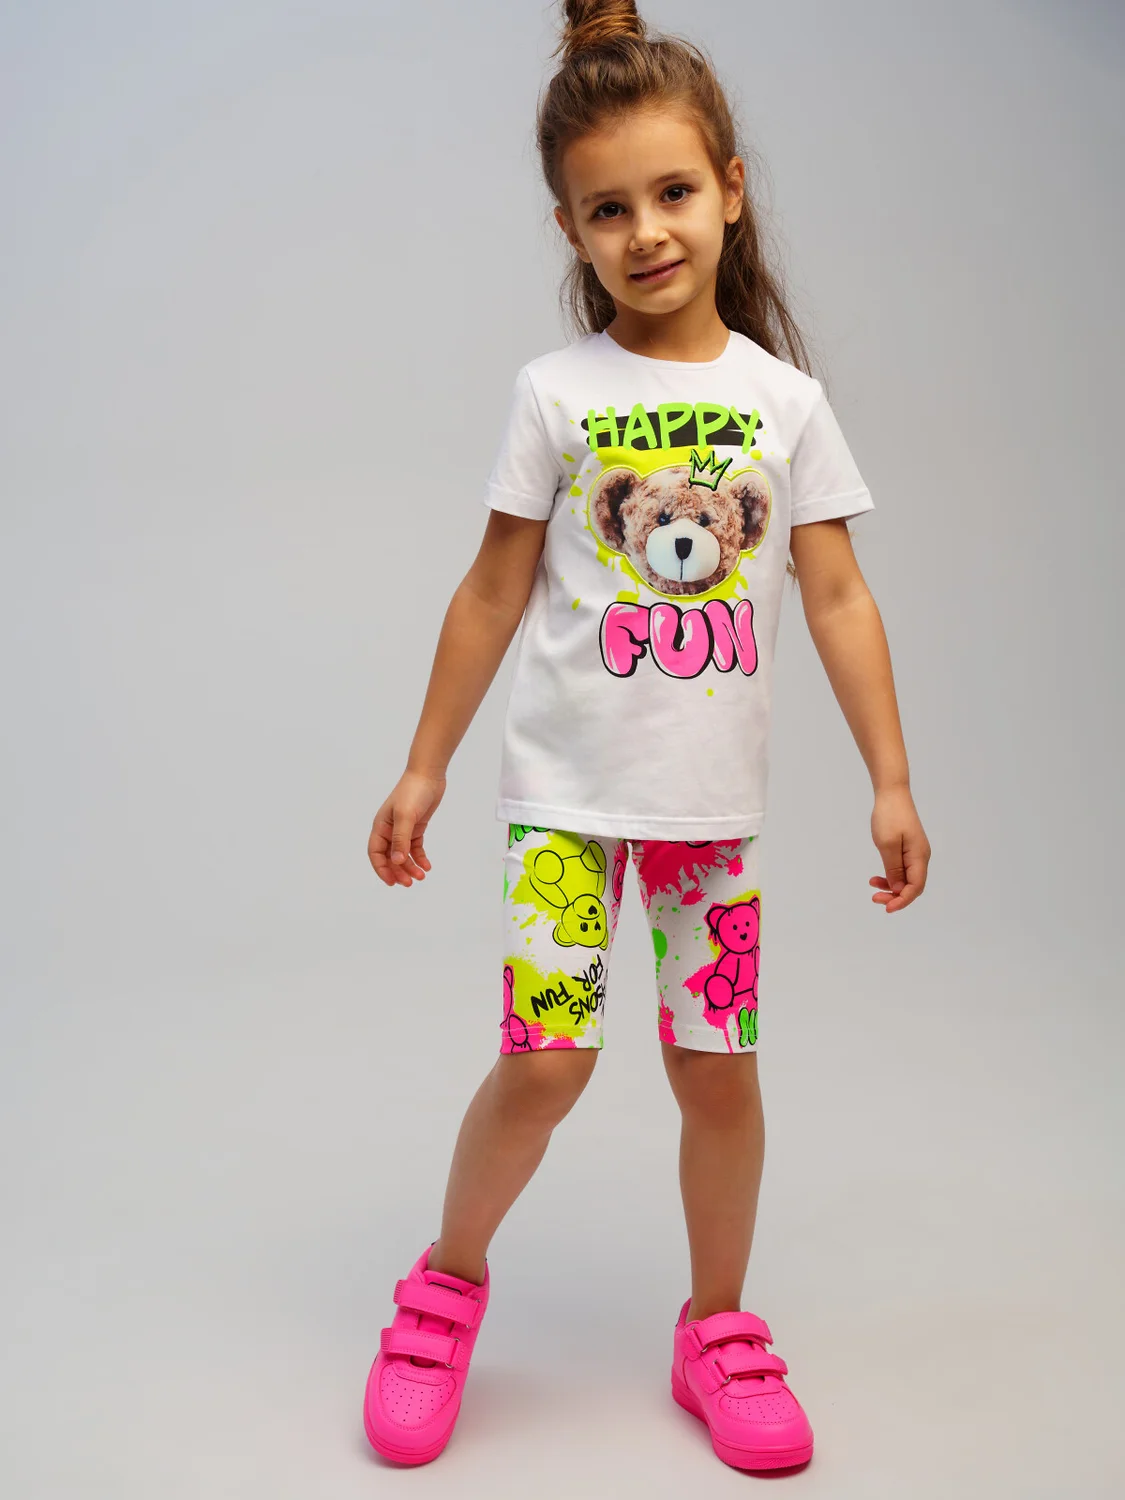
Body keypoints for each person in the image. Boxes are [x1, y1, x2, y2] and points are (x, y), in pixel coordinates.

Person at [361, 0, 930, 1474]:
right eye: (607, 209)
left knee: (718, 1075)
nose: (646, 231)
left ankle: (717, 1329)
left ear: (731, 189)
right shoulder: (556, 394)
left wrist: (891, 779)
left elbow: (838, 595)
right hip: (564, 799)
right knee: (546, 1065)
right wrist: (424, 763)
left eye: (673, 192)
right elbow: (493, 589)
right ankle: (442, 1292)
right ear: (570, 228)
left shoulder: (783, 403)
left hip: (708, 816)